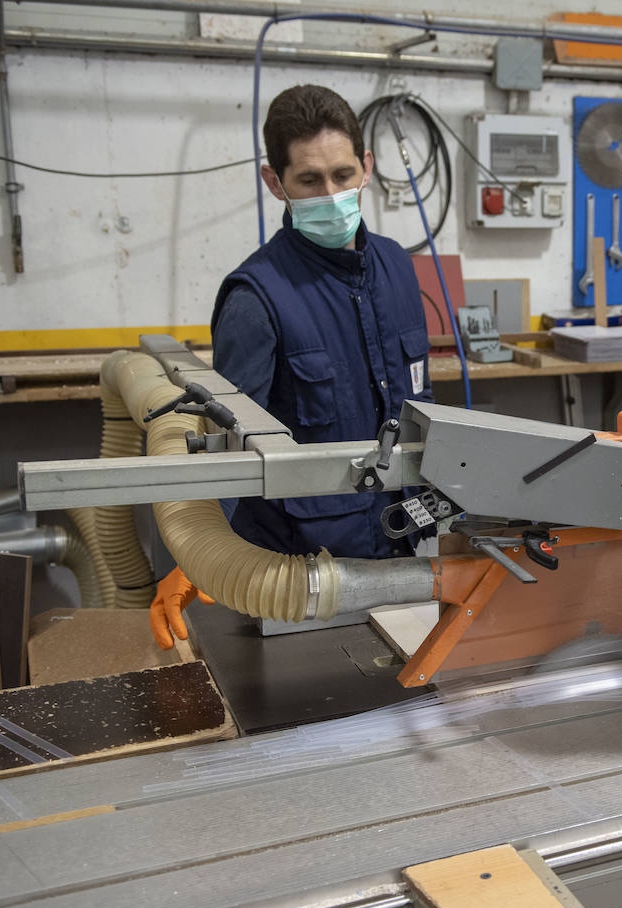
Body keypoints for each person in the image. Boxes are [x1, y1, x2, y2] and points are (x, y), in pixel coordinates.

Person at [149, 85, 432, 649]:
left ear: (367, 167)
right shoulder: (256, 298)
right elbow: (228, 440)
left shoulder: (399, 269)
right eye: (309, 180)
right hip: (302, 575)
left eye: (343, 173)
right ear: (274, 182)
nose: (332, 194)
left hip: (406, 547)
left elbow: (425, 406)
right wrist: (199, 554)